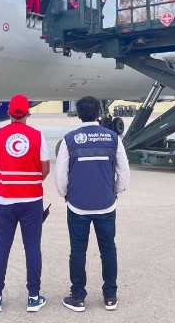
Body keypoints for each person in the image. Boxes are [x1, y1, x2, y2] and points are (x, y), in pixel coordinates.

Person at [55, 96, 130, 312]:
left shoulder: (69, 139)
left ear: (78, 115)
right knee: (108, 249)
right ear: (99, 113)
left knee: (78, 251)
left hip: (77, 206)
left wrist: (65, 194)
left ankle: (78, 297)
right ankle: (110, 297)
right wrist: (115, 191)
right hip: (106, 205)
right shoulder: (113, 138)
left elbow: (61, 175)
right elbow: (123, 171)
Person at [0, 94, 51, 313]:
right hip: (31, 200)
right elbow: (45, 169)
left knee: (2, 245)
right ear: (28, 113)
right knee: (32, 247)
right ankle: (33, 297)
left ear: (9, 113)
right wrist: (30, 180)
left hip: (4, 199)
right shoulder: (37, 136)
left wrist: (9, 179)